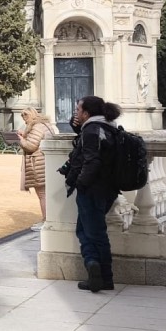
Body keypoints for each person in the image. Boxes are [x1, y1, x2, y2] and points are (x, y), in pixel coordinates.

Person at [61, 96, 121, 292]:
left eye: (78, 110)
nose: (76, 112)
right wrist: (77, 126)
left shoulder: (92, 130)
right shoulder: (108, 126)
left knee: (94, 233)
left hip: (93, 189)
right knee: (86, 230)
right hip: (109, 188)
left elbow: (92, 160)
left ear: (87, 113)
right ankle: (93, 265)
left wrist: (80, 183)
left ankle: (103, 275)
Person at [18, 107, 53, 231]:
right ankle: (47, 219)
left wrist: (22, 140)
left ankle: (46, 220)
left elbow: (31, 146)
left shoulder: (36, 126)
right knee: (46, 194)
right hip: (45, 162)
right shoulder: (45, 124)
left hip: (38, 163)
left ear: (31, 115)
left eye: (25, 116)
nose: (24, 119)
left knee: (42, 194)